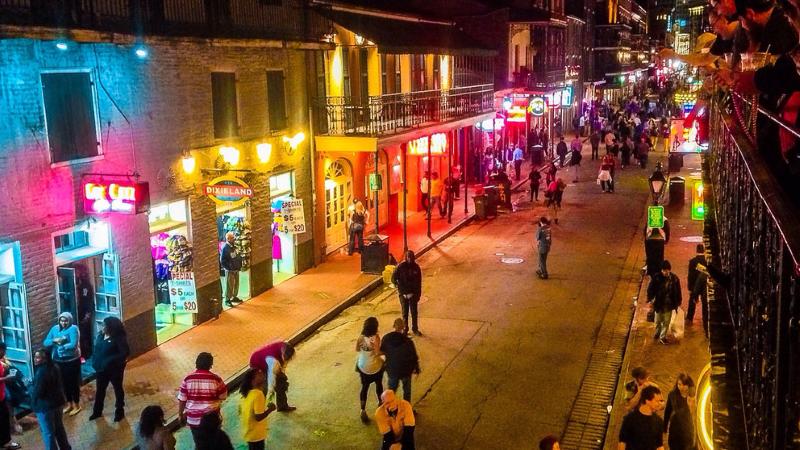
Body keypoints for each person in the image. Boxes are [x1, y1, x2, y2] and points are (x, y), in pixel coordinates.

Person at [177, 352, 228, 446]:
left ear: (196, 363)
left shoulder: (187, 379)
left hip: (194, 420)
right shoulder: (216, 379)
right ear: (210, 365)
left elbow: (182, 399)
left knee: (200, 444)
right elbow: (223, 396)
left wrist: (180, 415)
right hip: (212, 420)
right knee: (214, 444)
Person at [90, 316, 129, 422]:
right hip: (101, 370)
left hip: (114, 370)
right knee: (100, 390)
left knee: (117, 389)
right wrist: (95, 361)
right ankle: (97, 411)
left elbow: (124, 353)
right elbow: (97, 350)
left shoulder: (119, 338)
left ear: (110, 327)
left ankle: (119, 411)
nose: (102, 327)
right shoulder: (100, 336)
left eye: (104, 325)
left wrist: (110, 361)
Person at [43, 312, 81, 416]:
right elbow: (46, 342)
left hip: (71, 360)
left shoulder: (73, 329)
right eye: (61, 320)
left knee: (73, 383)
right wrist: (55, 340)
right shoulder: (55, 329)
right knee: (63, 383)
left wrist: (63, 346)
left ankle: (77, 404)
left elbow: (73, 344)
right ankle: (69, 403)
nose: (63, 323)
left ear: (70, 321)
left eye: (66, 321)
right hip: (59, 361)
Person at [32, 349, 69, 450]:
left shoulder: (41, 372)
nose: (35, 359)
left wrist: (32, 393)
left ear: (45, 359)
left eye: (38, 357)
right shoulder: (55, 367)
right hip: (58, 403)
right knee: (59, 428)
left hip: (46, 407)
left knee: (48, 433)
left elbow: (38, 392)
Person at [380, 318, 420, 403]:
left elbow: (381, 351)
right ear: (404, 327)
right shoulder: (408, 341)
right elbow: (414, 357)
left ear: (394, 326)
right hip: (405, 370)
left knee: (391, 391)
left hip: (392, 370)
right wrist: (416, 368)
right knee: (407, 391)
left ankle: (389, 409)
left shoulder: (386, 338)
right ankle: (407, 409)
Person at [249, 341, 296, 412]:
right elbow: (273, 374)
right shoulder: (275, 356)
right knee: (263, 389)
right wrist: (272, 388)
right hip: (257, 364)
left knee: (281, 382)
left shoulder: (283, 350)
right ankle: (257, 411)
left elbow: (282, 367)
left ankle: (282, 406)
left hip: (266, 362)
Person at [239, 369, 277, 450]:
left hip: (249, 432)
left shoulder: (246, 393)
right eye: (259, 375)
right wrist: (270, 409)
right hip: (256, 434)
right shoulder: (258, 394)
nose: (263, 375)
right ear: (253, 381)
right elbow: (258, 417)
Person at [618, 385, 665, 450]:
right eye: (656, 401)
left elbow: (659, 445)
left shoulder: (659, 421)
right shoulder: (630, 419)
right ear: (647, 401)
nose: (659, 404)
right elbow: (622, 442)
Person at [356, 317, 384, 423]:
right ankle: (380, 402)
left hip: (363, 367)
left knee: (364, 387)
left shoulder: (361, 337)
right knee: (379, 383)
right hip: (374, 367)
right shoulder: (376, 338)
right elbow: (377, 353)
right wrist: (385, 351)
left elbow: (357, 349)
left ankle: (363, 410)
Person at [647, 260, 682, 344]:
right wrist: (651, 299)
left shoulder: (674, 279)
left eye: (667, 270)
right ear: (661, 270)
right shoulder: (656, 278)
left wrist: (678, 301)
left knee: (666, 321)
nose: (665, 272)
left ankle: (662, 336)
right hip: (659, 303)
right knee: (658, 320)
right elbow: (650, 289)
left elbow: (678, 290)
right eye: (664, 270)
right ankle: (657, 332)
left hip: (669, 304)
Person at [391, 251, 423, 336]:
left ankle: (415, 329)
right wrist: (398, 287)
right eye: (408, 257)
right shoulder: (401, 267)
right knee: (405, 312)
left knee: (414, 312)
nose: (409, 259)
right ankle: (405, 328)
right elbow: (393, 278)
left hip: (413, 294)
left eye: (411, 257)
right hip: (403, 294)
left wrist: (418, 294)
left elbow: (419, 283)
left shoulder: (416, 268)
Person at [664, 373, 697, 450]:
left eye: (684, 385)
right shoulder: (672, 394)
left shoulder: (693, 395)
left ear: (688, 385)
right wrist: (664, 428)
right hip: (675, 429)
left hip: (689, 429)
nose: (681, 387)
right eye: (679, 384)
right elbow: (667, 411)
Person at [0, 344, 19, 450]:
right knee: (3, 419)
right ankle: (5, 442)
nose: (4, 353)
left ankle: (5, 441)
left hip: (1, 395)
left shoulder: (1, 362)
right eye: (3, 351)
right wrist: (5, 378)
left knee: (4, 419)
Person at [686, 244, 708, 329]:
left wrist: (690, 288)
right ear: (704, 251)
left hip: (695, 285)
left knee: (692, 302)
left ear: (696, 250)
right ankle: (705, 319)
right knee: (704, 303)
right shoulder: (706, 261)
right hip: (704, 285)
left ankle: (689, 318)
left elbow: (690, 276)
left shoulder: (692, 261)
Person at [220, 231, 243, 307]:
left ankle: (234, 296)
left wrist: (239, 265)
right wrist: (229, 268)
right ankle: (227, 299)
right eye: (232, 238)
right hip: (230, 270)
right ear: (228, 239)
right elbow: (222, 261)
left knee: (236, 284)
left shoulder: (234, 246)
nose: (234, 239)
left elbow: (237, 255)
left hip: (236, 269)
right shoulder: (225, 248)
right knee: (229, 285)